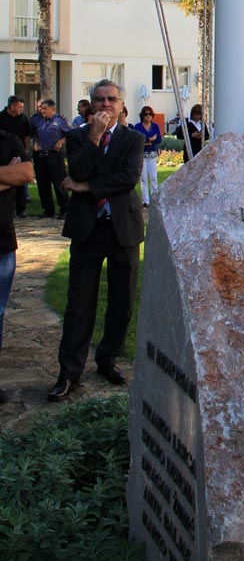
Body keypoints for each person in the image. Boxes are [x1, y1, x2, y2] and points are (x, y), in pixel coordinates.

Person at [47, 80, 145, 402]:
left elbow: (127, 178)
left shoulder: (133, 139)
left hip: (122, 230)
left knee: (121, 301)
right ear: (91, 105)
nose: (105, 105)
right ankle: (69, 373)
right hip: (88, 230)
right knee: (79, 304)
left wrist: (88, 187)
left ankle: (107, 358)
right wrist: (93, 138)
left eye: (111, 99)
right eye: (99, 100)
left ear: (121, 104)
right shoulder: (76, 137)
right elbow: (75, 168)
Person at [0, 131, 33, 402]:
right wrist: (4, 176)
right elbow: (13, 175)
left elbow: (25, 174)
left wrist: (14, 174)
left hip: (2, 245)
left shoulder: (7, 140)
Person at [32, 100, 71, 218]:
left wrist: (61, 141)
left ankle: (64, 209)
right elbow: (34, 134)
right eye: (41, 108)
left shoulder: (60, 121)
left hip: (54, 156)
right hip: (41, 156)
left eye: (45, 108)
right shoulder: (37, 121)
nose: (42, 111)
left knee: (59, 183)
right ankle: (48, 210)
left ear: (52, 109)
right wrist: (35, 143)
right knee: (43, 184)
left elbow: (70, 134)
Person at [0, 96, 31, 217]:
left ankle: (21, 209)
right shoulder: (1, 117)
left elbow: (27, 135)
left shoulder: (23, 118)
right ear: (12, 106)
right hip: (4, 153)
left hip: (19, 151)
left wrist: (26, 150)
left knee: (20, 182)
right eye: (19, 107)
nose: (21, 109)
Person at [133, 107, 162, 209]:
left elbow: (159, 139)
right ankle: (146, 201)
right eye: (146, 114)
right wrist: (149, 139)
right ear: (142, 116)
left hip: (152, 155)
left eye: (150, 114)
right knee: (143, 178)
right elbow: (137, 139)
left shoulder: (155, 126)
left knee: (153, 177)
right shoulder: (138, 126)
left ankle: (154, 199)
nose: (148, 116)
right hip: (142, 156)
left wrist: (148, 141)